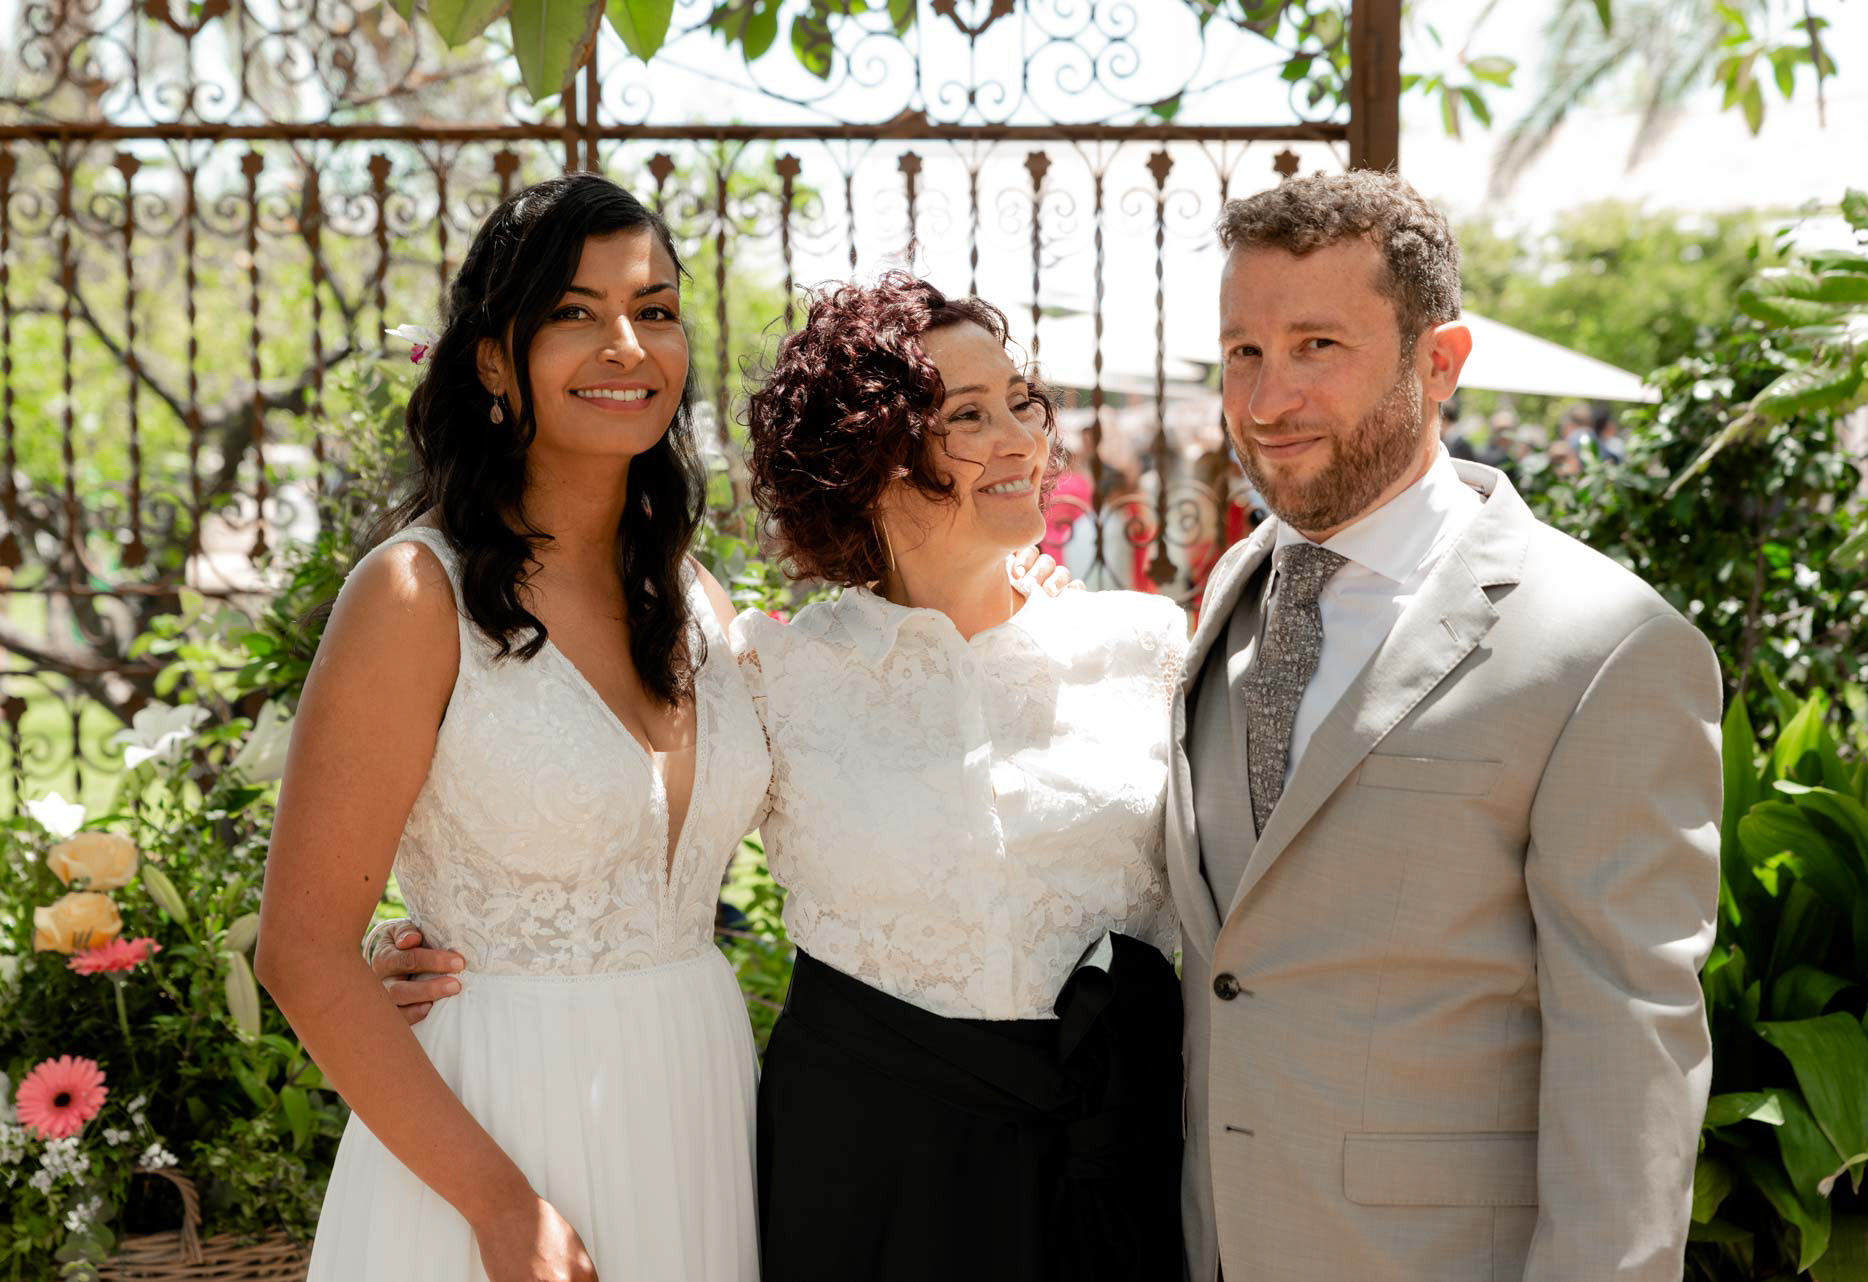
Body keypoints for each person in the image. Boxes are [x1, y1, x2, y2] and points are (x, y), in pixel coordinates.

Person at [372, 272, 1187, 1282]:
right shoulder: (770, 672)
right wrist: (420, 942)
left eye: (1023, 400)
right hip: (869, 1178)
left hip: (1110, 1174)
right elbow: (607, 812)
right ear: (871, 457)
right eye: (969, 416)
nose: (1023, 438)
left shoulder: (1150, 650)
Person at [1172, 170, 1721, 1281]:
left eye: (1318, 345)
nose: (1267, 400)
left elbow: (1629, 1055)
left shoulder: (1606, 645)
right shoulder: (1239, 583)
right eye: (1244, 352)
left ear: (1441, 361)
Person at [254, 174, 774, 1282]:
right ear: (493, 360)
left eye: (657, 308)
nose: (627, 345)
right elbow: (300, 948)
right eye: (574, 313)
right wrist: (499, 1208)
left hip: (697, 1106)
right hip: (487, 1139)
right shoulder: (412, 595)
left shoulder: (700, 599)